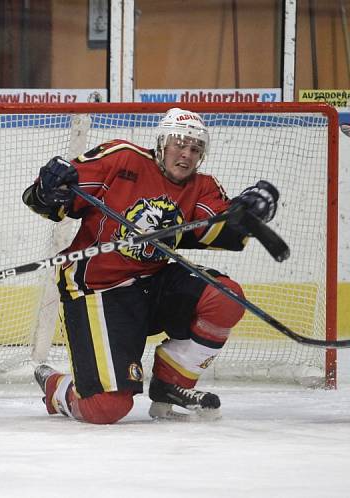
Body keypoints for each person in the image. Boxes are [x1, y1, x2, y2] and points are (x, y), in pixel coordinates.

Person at [23, 108, 279, 423]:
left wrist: (248, 213)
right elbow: (51, 200)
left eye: (195, 149)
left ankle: (172, 384)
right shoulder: (121, 159)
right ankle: (57, 387)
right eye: (179, 144)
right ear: (161, 142)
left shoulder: (202, 187)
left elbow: (220, 227)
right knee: (104, 408)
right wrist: (50, 186)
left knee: (225, 297)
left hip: (155, 283)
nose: (186, 154)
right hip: (98, 289)